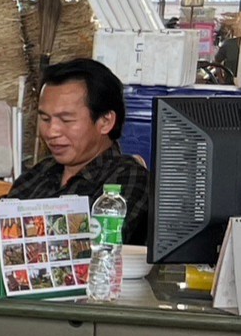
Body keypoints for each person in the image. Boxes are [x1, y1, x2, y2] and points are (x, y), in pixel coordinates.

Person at [9, 57, 150, 244]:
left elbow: (94, 243)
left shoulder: (127, 177)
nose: (51, 132)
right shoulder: (40, 173)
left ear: (105, 121)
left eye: (66, 120)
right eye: (45, 119)